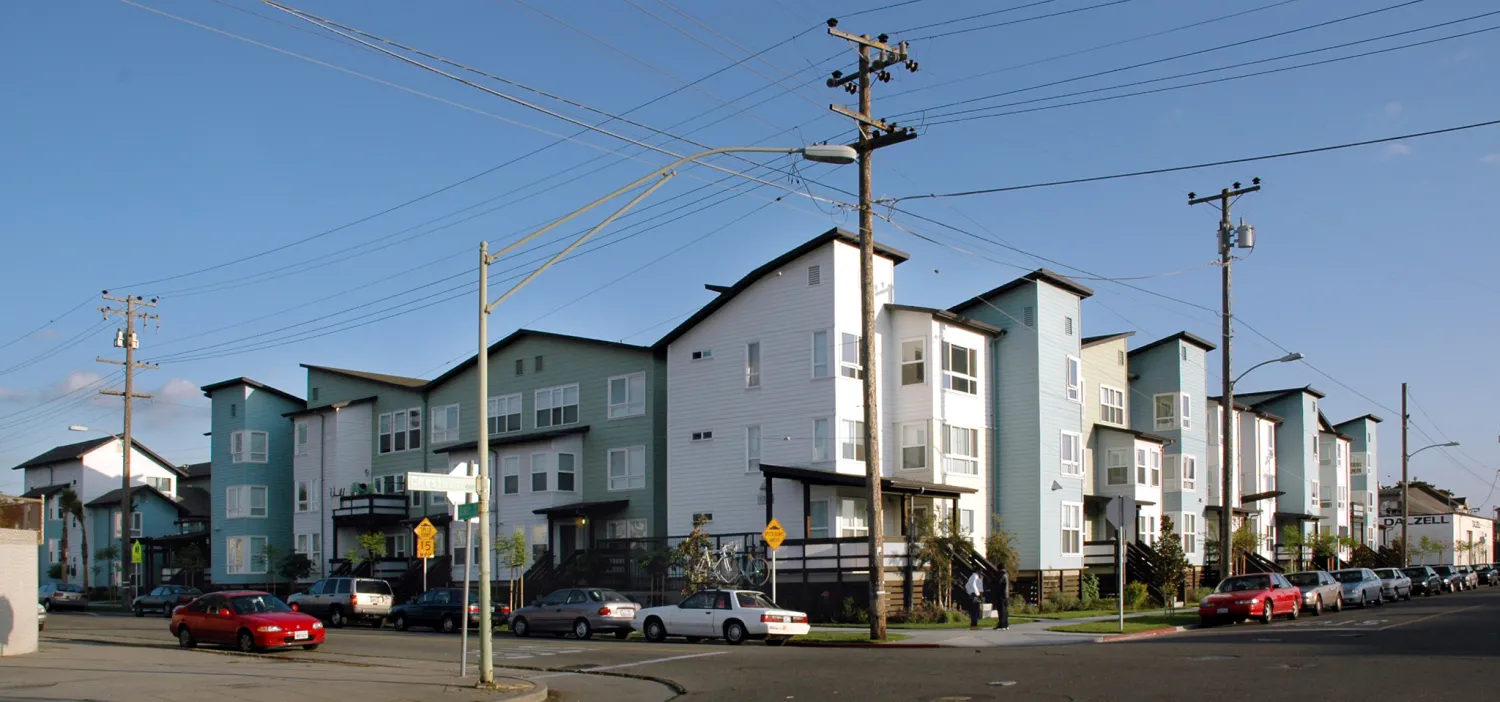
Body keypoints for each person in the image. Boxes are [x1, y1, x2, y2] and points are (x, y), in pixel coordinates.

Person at [993, 566, 1011, 630]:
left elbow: (998, 583)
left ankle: (1002, 625)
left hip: (1001, 595)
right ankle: (1006, 625)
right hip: (1006, 595)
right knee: (1005, 610)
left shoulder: (1001, 575)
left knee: (1001, 610)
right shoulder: (1006, 574)